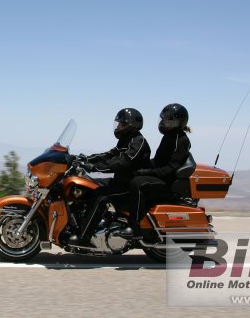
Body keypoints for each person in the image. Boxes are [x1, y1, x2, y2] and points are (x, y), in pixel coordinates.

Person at [70, 108, 151, 245]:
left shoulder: (138, 142)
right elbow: (109, 154)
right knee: (88, 184)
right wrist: (86, 159)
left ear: (130, 125)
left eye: (121, 124)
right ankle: (83, 222)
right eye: (118, 124)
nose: (118, 127)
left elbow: (122, 162)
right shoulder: (126, 140)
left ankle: (84, 237)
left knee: (100, 197)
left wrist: (95, 167)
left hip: (129, 185)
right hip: (120, 181)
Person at [121, 103, 192, 238]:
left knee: (138, 183)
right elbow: (159, 161)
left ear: (179, 122)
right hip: (162, 175)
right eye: (164, 120)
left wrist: (145, 172)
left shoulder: (181, 140)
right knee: (130, 175)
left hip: (168, 180)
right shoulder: (170, 137)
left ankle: (134, 226)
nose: (165, 123)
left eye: (169, 121)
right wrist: (142, 166)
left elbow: (170, 168)